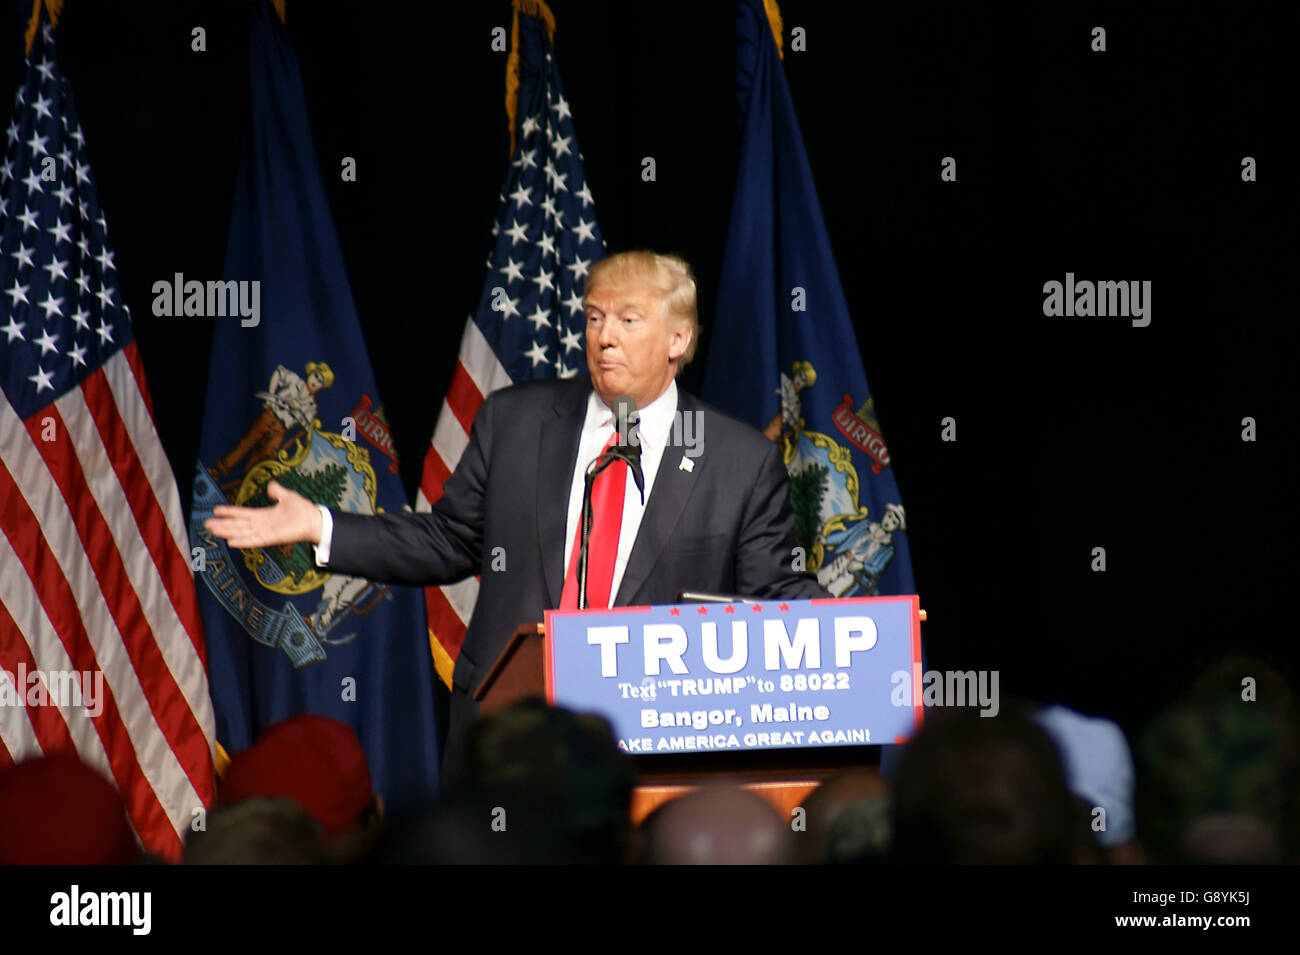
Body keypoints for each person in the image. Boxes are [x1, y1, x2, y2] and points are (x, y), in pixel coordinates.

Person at [206, 251, 828, 774]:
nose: (604, 336)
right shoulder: (517, 421)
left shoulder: (738, 458)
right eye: (594, 317)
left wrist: (860, 632)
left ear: (679, 339)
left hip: (652, 750)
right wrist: (325, 528)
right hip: (506, 742)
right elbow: (449, 541)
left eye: (628, 320)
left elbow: (771, 593)